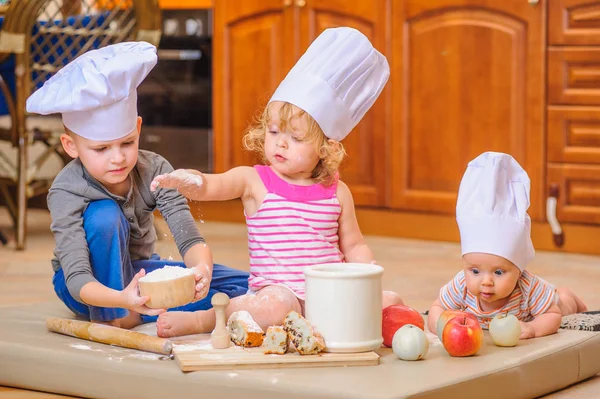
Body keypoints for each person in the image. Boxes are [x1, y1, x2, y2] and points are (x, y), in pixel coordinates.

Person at [151, 27, 404, 338]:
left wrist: (366, 274)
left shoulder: (337, 192)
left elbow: (353, 244)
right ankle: (207, 319)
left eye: (295, 137)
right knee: (277, 306)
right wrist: (190, 180)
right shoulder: (255, 181)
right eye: (273, 132)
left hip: (326, 297)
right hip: (276, 295)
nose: (280, 144)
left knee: (390, 301)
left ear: (326, 147)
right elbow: (212, 185)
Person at [26, 42, 249, 329]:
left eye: (127, 143)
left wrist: (201, 270)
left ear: (139, 129)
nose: (118, 158)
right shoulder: (65, 190)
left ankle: (146, 306)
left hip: (139, 271)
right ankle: (119, 316)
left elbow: (188, 236)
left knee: (243, 285)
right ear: (71, 146)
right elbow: (77, 278)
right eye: (102, 148)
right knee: (105, 215)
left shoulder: (155, 168)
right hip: (88, 288)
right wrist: (121, 299)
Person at [427, 152, 587, 339]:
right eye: (475, 271)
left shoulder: (529, 288)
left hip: (546, 307)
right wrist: (442, 325)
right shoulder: (461, 285)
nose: (486, 281)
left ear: (518, 270)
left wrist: (533, 328)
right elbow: (437, 308)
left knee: (563, 307)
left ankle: (568, 296)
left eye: (499, 272)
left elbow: (553, 316)